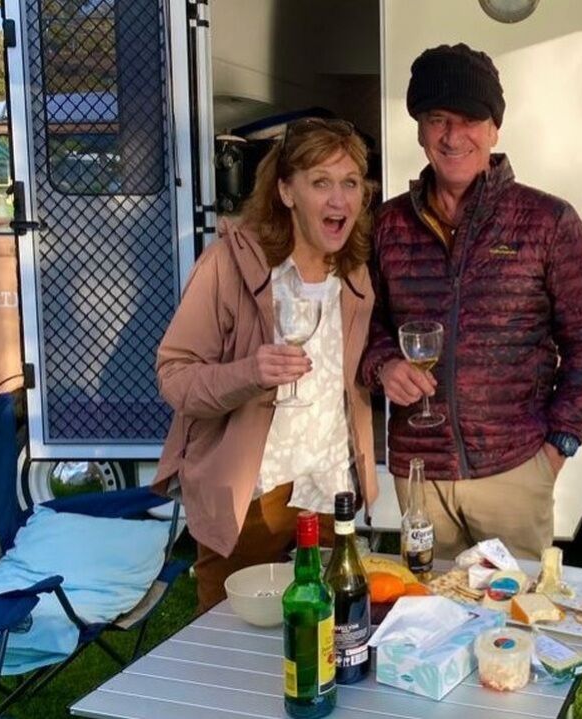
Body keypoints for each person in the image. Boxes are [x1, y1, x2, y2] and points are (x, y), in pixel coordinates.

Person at [360, 44, 582, 561]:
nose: (453, 137)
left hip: (514, 470)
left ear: (495, 128)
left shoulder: (548, 221)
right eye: (438, 119)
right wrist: (382, 365)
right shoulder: (386, 225)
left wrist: (558, 446)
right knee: (427, 607)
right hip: (420, 475)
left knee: (515, 609)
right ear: (419, 130)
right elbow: (362, 324)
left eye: (470, 119)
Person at [154, 118, 380, 613]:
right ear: (285, 191)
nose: (339, 200)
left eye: (350, 183)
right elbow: (175, 378)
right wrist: (250, 373)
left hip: (330, 488)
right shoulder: (227, 265)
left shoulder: (354, 272)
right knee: (232, 640)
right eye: (320, 182)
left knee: (327, 633)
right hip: (251, 496)